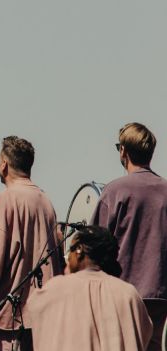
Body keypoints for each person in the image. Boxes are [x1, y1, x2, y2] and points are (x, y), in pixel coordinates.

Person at [0, 136, 63, 351]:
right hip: (43, 319)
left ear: (4, 165)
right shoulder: (45, 202)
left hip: (11, 320)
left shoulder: (7, 199)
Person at [92, 122, 167, 351]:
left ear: (123, 151)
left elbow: (95, 244)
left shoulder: (115, 191)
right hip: (161, 294)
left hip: (123, 293)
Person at [27, 225, 153, 350]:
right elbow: (144, 333)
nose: (68, 258)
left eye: (70, 250)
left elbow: (35, 312)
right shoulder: (128, 294)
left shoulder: (53, 290)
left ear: (79, 250)